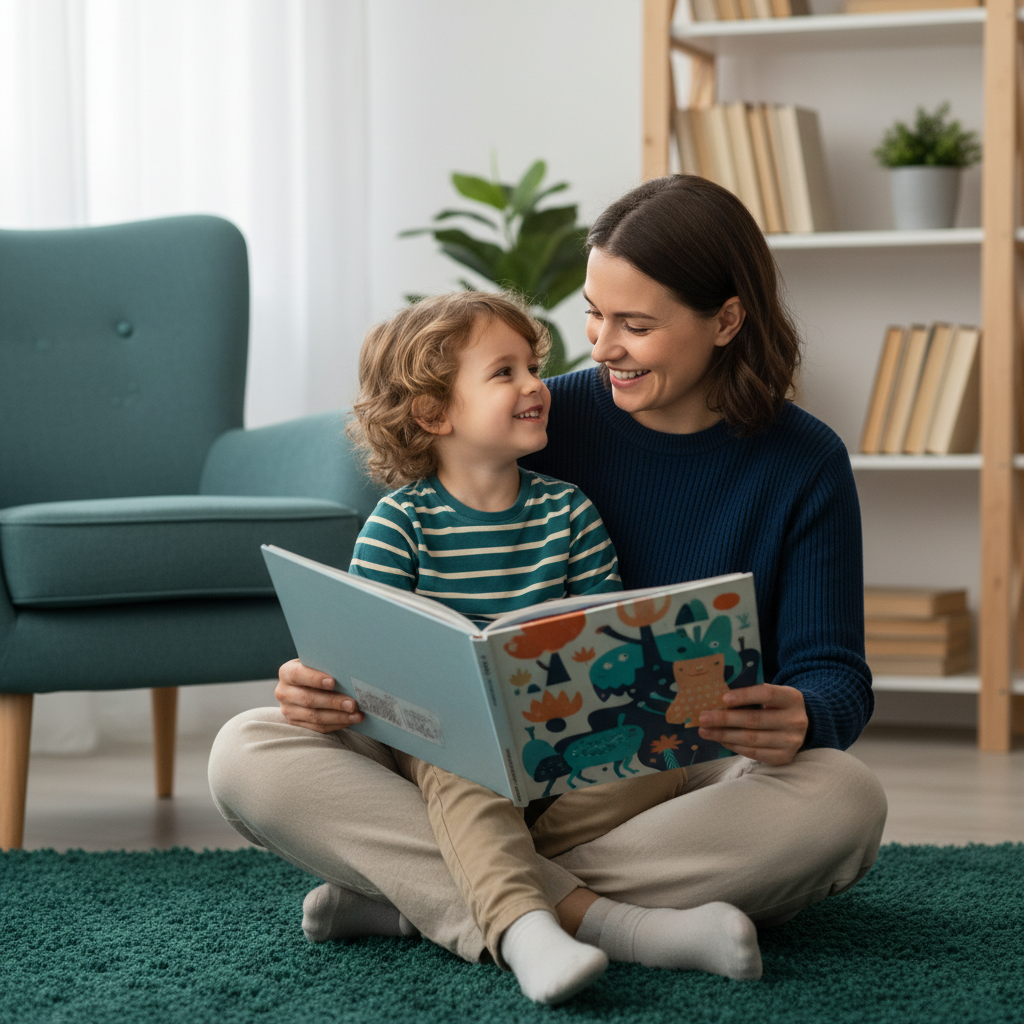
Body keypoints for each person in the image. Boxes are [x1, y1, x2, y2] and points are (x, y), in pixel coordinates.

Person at [209, 174, 887, 992]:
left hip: (656, 772)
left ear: (726, 321)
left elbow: (835, 675)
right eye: (594, 314)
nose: (600, 348)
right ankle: (602, 920)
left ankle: (430, 898)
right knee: (248, 752)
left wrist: (804, 713)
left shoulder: (803, 463)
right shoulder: (538, 420)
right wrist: (319, 681)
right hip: (460, 755)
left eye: (635, 325)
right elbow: (395, 590)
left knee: (843, 800)